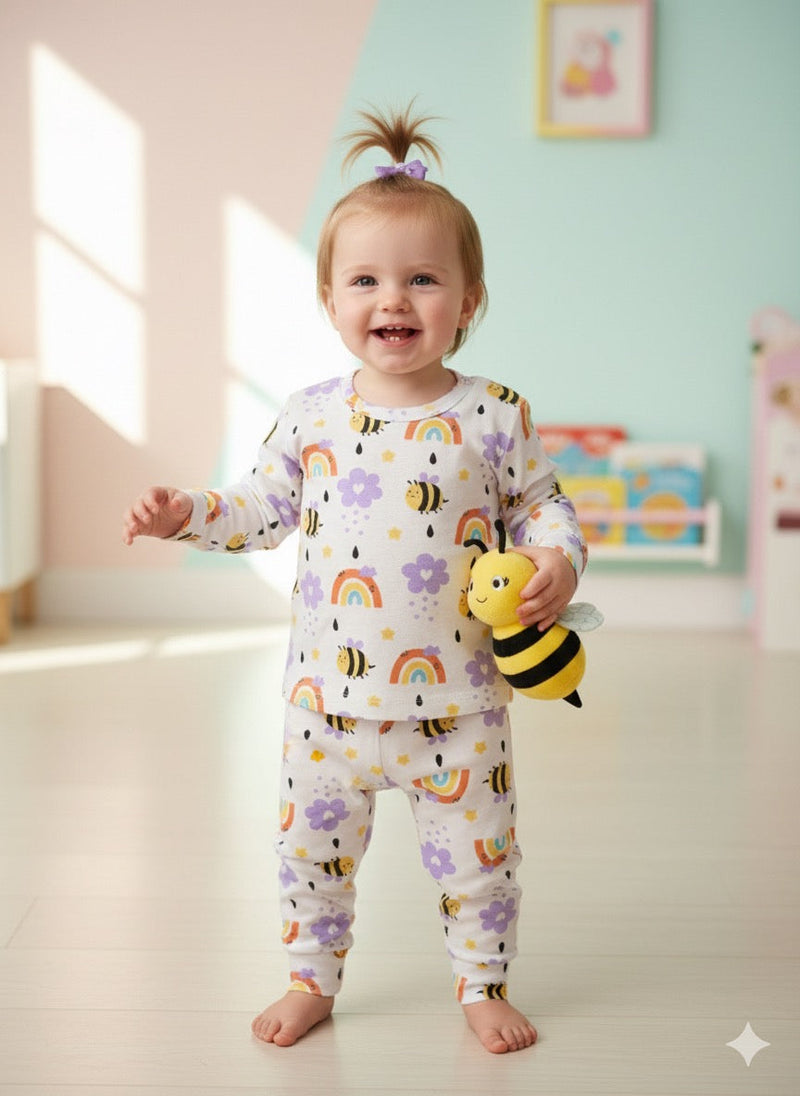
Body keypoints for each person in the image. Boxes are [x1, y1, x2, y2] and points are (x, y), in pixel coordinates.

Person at [122, 104, 587, 1054]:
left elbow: (544, 504)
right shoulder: (311, 416)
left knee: (480, 864)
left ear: (469, 298)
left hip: (461, 708)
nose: (395, 301)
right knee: (309, 856)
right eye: (367, 280)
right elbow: (261, 507)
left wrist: (554, 557)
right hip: (325, 709)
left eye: (424, 280)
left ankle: (481, 982)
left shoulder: (496, 416)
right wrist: (189, 514)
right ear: (331, 300)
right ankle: (310, 977)